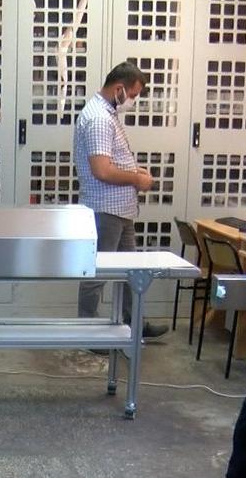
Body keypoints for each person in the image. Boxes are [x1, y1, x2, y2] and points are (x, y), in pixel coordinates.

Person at [74, 61, 168, 340]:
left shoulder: (107, 112)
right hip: (105, 210)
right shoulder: (99, 118)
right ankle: (87, 331)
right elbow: (102, 170)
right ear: (119, 89)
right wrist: (136, 179)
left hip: (120, 210)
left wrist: (134, 170)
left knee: (131, 270)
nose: (133, 101)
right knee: (97, 273)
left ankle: (133, 321)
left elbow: (113, 159)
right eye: (133, 95)